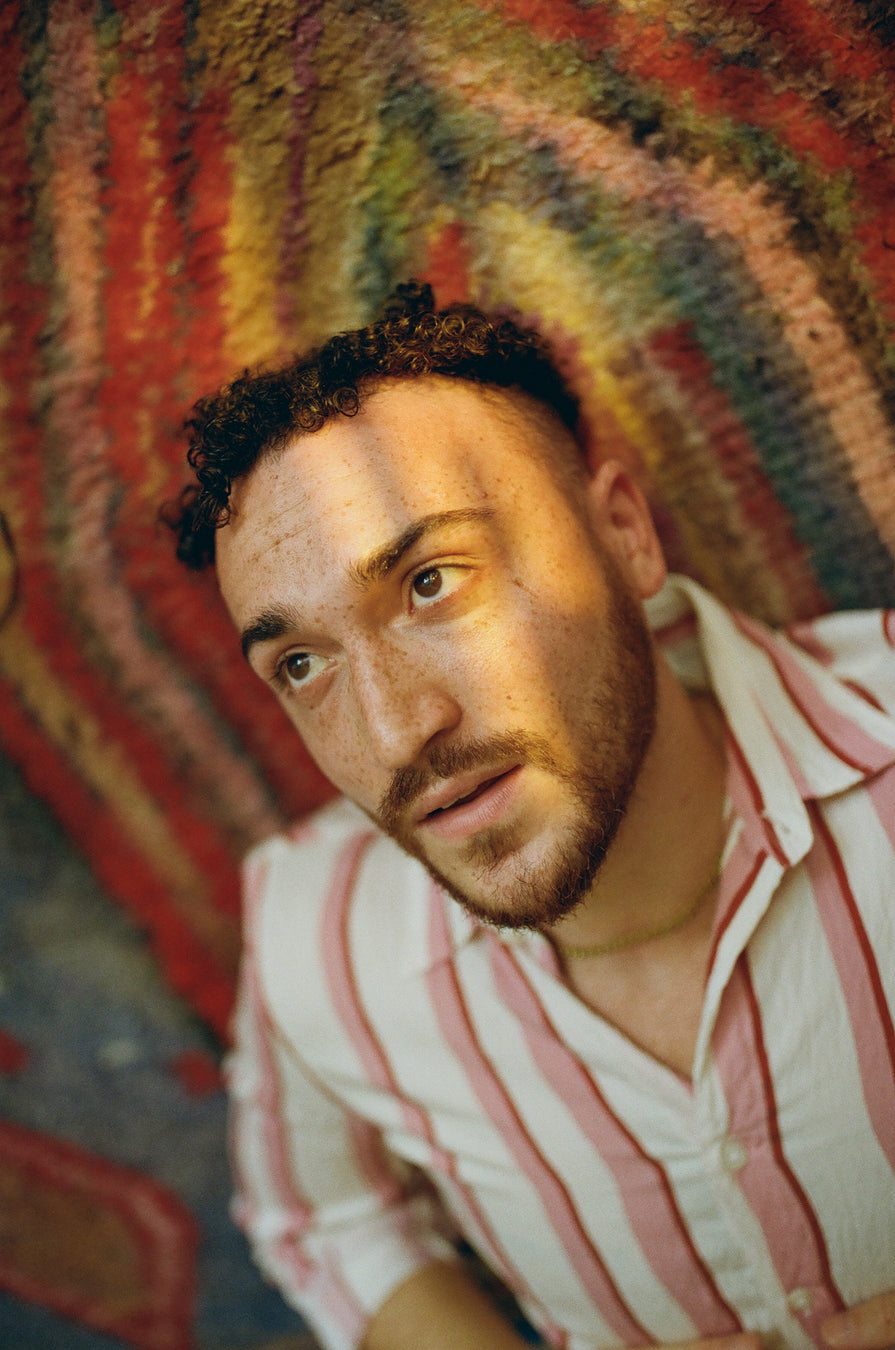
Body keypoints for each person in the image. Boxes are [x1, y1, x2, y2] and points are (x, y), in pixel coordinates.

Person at [170, 283, 895, 1350]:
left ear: (623, 534)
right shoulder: (313, 932)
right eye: (303, 664)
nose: (395, 733)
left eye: (430, 582)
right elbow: (326, 1222)